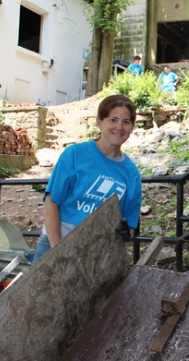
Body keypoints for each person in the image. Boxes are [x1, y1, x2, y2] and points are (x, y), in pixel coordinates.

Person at [32, 94, 142, 263]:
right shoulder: (75, 154)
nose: (119, 127)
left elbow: (129, 220)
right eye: (113, 120)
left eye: (126, 122)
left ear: (132, 127)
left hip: (96, 256)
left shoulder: (131, 174)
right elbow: (51, 202)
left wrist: (126, 232)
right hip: (57, 242)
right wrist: (57, 251)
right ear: (99, 121)